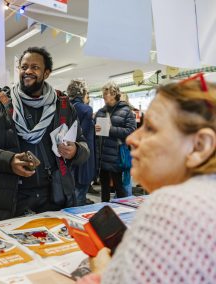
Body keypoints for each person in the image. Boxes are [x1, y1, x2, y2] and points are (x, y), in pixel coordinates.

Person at [77, 75, 216, 283]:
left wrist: (106, 270)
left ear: (200, 146)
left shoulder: (173, 206)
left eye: (150, 128)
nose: (133, 139)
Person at [0, 47, 90, 222]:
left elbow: (83, 145)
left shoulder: (63, 106)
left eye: (35, 67)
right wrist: (9, 160)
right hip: (13, 197)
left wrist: (75, 151)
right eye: (24, 66)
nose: (28, 71)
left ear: (46, 73)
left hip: (56, 195)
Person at [95, 82, 136, 202]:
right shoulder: (100, 112)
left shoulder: (126, 111)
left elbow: (131, 131)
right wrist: (95, 129)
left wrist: (110, 129)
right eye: (103, 93)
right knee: (105, 190)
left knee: (120, 189)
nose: (103, 96)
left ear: (114, 94)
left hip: (117, 157)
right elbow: (95, 131)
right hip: (102, 157)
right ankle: (104, 213)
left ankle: (122, 213)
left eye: (106, 93)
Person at [67, 80, 96, 206]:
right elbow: (82, 135)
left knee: (70, 191)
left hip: (66, 153)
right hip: (83, 154)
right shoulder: (86, 110)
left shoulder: (64, 107)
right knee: (80, 192)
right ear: (83, 93)